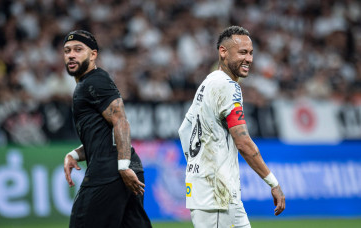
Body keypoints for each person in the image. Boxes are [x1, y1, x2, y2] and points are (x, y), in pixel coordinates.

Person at [178, 25, 285, 228]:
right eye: (243, 52)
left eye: (251, 53)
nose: (249, 59)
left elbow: (185, 129)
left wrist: (196, 163)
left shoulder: (208, 83)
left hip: (219, 191)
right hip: (216, 192)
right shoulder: (228, 86)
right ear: (223, 52)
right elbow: (243, 142)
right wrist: (273, 182)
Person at [62, 30, 152, 228]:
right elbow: (103, 136)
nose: (71, 55)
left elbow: (121, 121)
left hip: (109, 172)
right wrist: (74, 155)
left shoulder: (95, 81)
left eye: (78, 49)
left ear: (93, 54)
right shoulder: (89, 84)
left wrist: (122, 167)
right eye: (67, 50)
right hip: (125, 170)